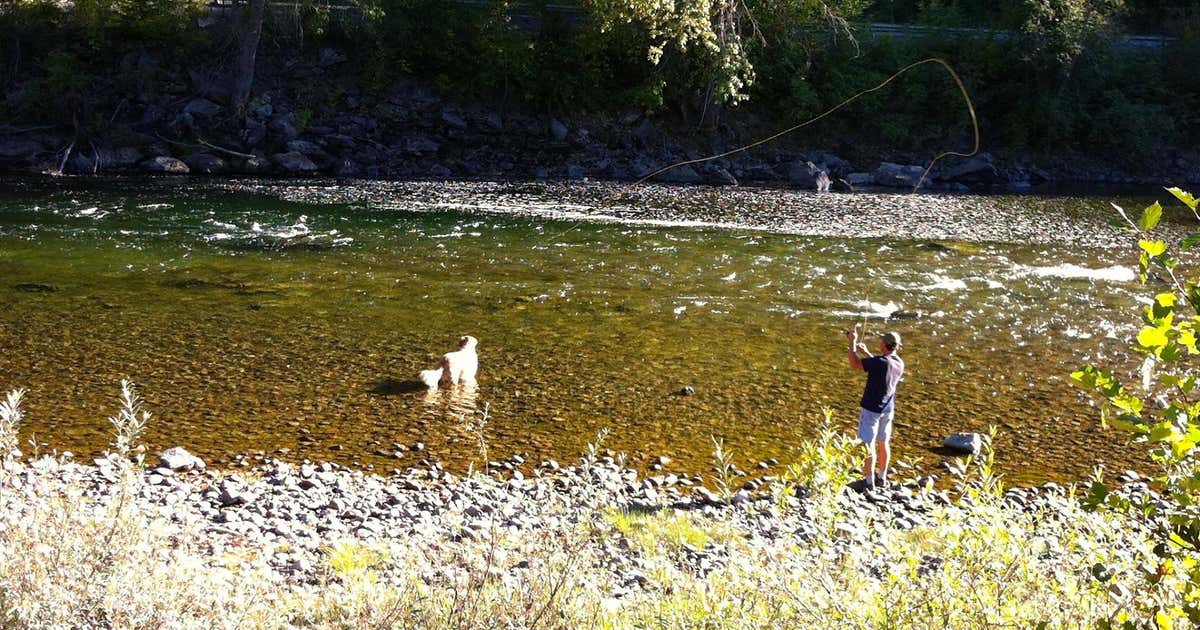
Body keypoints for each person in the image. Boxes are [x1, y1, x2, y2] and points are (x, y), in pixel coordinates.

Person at [846, 328, 904, 490]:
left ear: (884, 344)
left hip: (872, 410)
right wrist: (867, 353)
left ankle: (868, 482)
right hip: (888, 409)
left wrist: (852, 343)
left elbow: (855, 364)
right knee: (883, 442)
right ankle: (881, 477)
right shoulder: (898, 362)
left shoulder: (878, 362)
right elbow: (881, 367)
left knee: (868, 443)